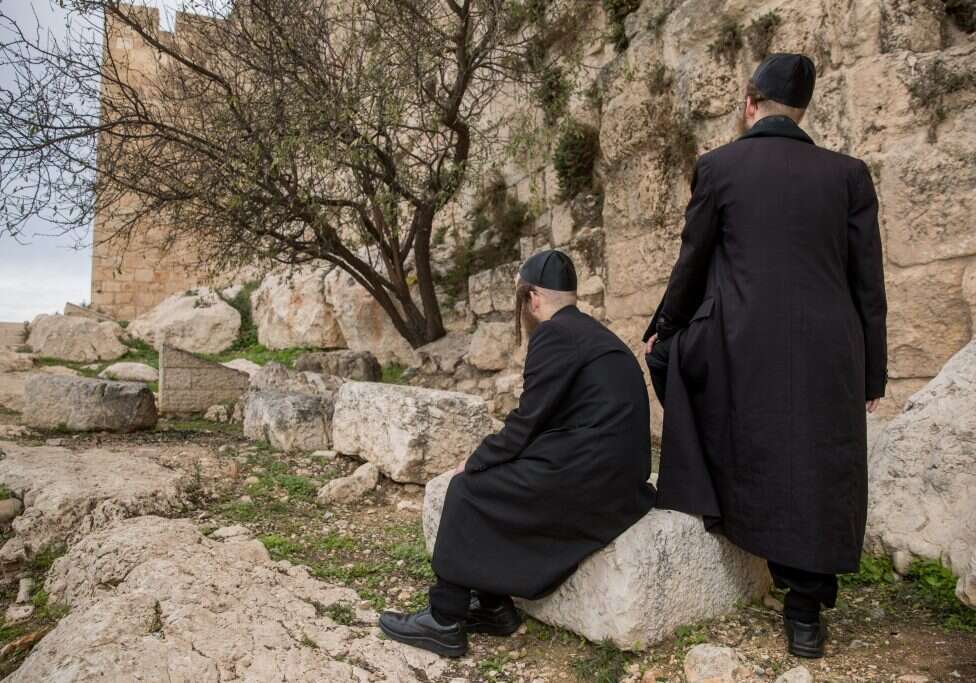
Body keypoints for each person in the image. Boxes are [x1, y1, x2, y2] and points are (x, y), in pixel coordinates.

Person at [643, 53, 888, 659]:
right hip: (831, 349)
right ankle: (805, 611)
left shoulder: (718, 167)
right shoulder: (849, 174)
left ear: (750, 104)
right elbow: (868, 284)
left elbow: (692, 261)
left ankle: (717, 502)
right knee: (817, 459)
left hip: (742, 343)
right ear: (801, 110)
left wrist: (664, 328)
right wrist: (872, 372)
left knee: (673, 367)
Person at [379, 249, 656, 658]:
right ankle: (494, 608)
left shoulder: (554, 334)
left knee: (468, 490)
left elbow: (528, 420)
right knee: (500, 481)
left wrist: (474, 461)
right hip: (620, 478)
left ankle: (444, 618)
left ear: (533, 298)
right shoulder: (593, 332)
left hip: (590, 475)